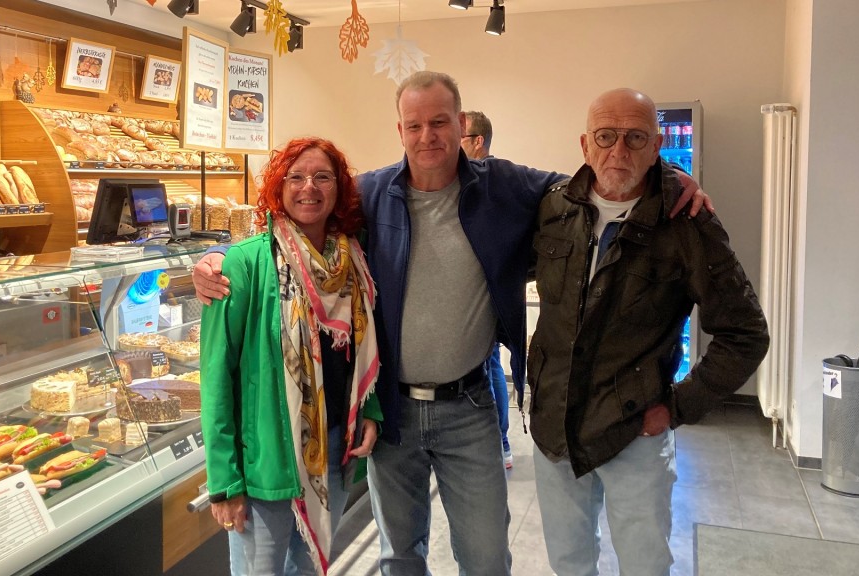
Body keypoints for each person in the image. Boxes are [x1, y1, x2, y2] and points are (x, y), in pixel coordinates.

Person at [193, 72, 710, 575]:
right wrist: (216, 257)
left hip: (469, 408)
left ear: (460, 124)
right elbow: (293, 226)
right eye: (414, 125)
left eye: (439, 122)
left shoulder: (504, 187)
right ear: (400, 131)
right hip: (392, 413)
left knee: (486, 557)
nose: (427, 136)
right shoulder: (370, 195)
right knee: (399, 555)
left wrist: (666, 175)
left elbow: (596, 179)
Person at [528, 88, 770, 576]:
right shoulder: (554, 209)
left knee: (644, 563)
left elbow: (745, 333)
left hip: (633, 431)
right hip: (554, 425)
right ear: (584, 144)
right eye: (606, 136)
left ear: (658, 144)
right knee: (568, 561)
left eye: (636, 137)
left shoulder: (687, 222)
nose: (619, 151)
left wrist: (678, 407)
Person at [200, 137, 383, 575]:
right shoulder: (243, 264)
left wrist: (370, 408)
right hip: (265, 461)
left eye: (322, 177)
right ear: (278, 187)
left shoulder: (353, 260)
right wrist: (224, 482)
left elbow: (366, 347)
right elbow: (215, 376)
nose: (309, 187)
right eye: (295, 177)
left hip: (334, 448)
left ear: (338, 190)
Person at [461, 110, 513, 469]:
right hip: (482, 293)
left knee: (489, 363)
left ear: (478, 142)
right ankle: (502, 441)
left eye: (459, 138)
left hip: (485, 294)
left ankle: (501, 440)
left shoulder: (491, 179)